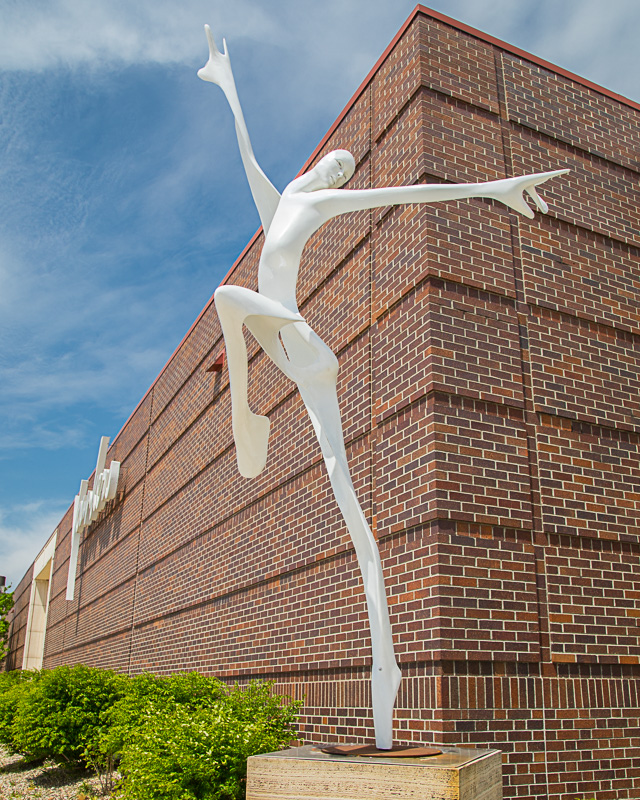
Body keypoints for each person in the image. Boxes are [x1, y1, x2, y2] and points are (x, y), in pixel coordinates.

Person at [198, 25, 568, 750]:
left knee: (227, 296)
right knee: (347, 497)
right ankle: (386, 682)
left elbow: (411, 192)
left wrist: (492, 188)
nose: (334, 172)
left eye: (339, 170)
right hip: (297, 350)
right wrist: (227, 85)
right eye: (331, 165)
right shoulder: (281, 203)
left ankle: (246, 414)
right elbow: (246, 156)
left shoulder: (318, 206)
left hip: (296, 338)